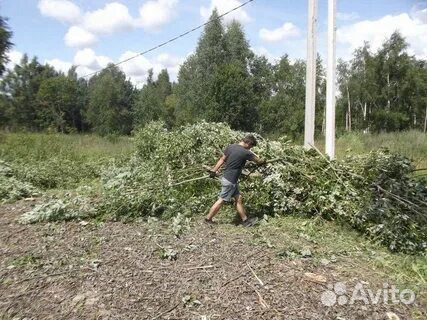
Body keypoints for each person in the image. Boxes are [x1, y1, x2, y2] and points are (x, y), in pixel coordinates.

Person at [205, 134, 266, 226]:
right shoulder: (246, 152)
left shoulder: (231, 147)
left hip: (227, 178)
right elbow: (258, 161)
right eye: (250, 146)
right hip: (230, 181)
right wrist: (263, 161)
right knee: (222, 200)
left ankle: (245, 220)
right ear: (248, 143)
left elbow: (222, 159)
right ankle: (208, 219)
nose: (250, 149)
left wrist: (214, 170)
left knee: (238, 198)